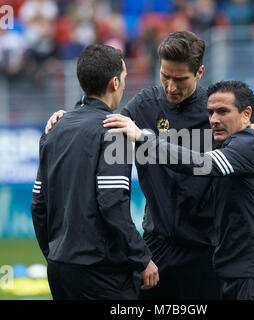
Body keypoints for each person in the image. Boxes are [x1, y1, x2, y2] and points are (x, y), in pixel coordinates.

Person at [44, 31, 254, 300]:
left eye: (180, 79)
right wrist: (70, 118)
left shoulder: (216, 110)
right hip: (157, 246)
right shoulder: (144, 106)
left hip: (206, 248)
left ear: (199, 73)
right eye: (165, 76)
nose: (171, 87)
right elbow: (100, 123)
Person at [104, 80, 254, 300]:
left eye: (223, 111)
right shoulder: (240, 144)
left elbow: (201, 163)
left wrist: (142, 137)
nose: (214, 120)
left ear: (246, 114)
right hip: (241, 273)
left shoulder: (249, 143)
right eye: (210, 112)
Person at [30, 44, 159, 300]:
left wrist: (53, 253)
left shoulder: (54, 128)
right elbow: (112, 204)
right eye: (124, 78)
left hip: (60, 268)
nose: (124, 84)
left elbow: (38, 205)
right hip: (101, 273)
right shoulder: (115, 132)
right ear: (114, 82)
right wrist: (142, 258)